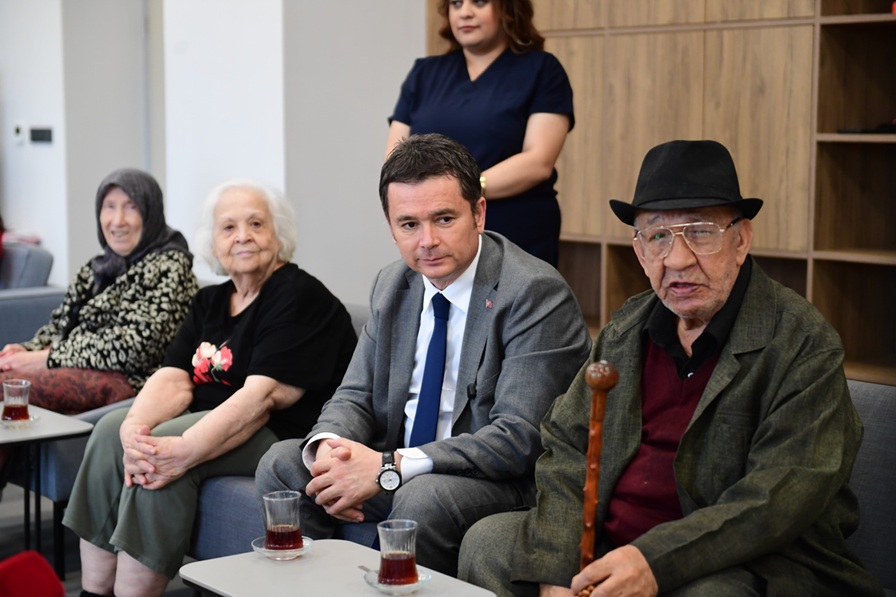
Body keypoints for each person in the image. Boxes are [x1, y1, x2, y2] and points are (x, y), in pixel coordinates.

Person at [458, 140, 885, 597]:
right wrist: (558, 571)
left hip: (743, 562)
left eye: (700, 232)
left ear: (741, 240)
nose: (678, 260)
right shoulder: (626, 331)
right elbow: (567, 447)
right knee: (489, 543)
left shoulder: (802, 342)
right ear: (640, 252)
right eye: (658, 236)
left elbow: (779, 496)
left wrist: (654, 561)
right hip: (611, 543)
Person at [256, 133, 591, 577]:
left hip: (496, 481)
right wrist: (329, 454)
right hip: (403, 469)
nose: (427, 241)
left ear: (479, 213)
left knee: (424, 496)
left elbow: (519, 438)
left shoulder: (533, 292)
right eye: (409, 225)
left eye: (444, 219)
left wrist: (389, 466)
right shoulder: (393, 284)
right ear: (391, 227)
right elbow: (354, 395)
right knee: (283, 463)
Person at [62, 180, 358, 597]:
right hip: (214, 417)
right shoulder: (211, 301)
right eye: (228, 227)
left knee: (161, 451)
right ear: (213, 242)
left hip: (280, 432)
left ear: (278, 235)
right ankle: (93, 591)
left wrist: (182, 450)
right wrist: (133, 427)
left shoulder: (298, 294)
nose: (243, 236)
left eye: (256, 224)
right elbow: (173, 377)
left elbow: (262, 398)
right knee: (110, 430)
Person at [385, 0, 573, 267]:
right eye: (456, 3)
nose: (465, 12)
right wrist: (438, 203)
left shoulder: (542, 70)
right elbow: (396, 159)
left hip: (515, 229)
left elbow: (538, 161)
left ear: (508, 8)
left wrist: (458, 193)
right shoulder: (424, 73)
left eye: (479, 2)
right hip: (435, 227)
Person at [0, 168, 198, 413]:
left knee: (8, 387)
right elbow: (60, 327)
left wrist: (46, 358)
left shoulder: (171, 266)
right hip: (75, 367)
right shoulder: (99, 266)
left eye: (131, 207)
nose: (118, 220)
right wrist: (27, 350)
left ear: (151, 213)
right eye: (109, 207)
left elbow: (135, 348)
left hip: (132, 382)